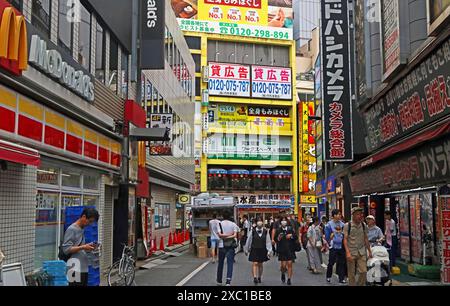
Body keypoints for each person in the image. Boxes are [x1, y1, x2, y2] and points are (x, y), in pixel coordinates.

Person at [62, 207, 99, 286]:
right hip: (73, 268)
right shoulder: (72, 229)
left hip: (83, 268)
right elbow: (66, 249)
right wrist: (83, 247)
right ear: (84, 217)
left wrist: (88, 246)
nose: (90, 224)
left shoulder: (81, 229)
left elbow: (78, 246)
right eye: (90, 221)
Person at [343, 207, 373, 286]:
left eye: (361, 214)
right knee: (351, 273)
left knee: (363, 271)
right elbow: (345, 239)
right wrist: (347, 252)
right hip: (351, 251)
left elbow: (366, 238)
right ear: (353, 215)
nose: (360, 216)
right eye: (358, 214)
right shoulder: (347, 225)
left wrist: (369, 251)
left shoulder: (363, 225)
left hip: (361, 251)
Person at [244, 217, 273, 284]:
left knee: (260, 264)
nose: (259, 222)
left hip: (262, 249)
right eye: (258, 221)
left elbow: (268, 241)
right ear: (256, 223)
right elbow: (249, 240)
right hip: (254, 249)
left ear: (262, 222)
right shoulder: (252, 231)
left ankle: (259, 276)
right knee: (255, 263)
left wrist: (269, 250)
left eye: (260, 221)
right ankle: (255, 277)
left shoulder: (265, 231)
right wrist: (246, 249)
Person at [217, 212, 239, 286]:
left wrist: (224, 237)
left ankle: (219, 280)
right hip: (230, 245)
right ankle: (228, 281)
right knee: (230, 264)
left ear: (222, 216)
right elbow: (235, 235)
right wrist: (230, 235)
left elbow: (219, 235)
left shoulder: (219, 224)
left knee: (220, 263)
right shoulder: (233, 224)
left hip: (221, 245)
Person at [325, 209, 346, 283]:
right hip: (333, 246)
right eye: (338, 214)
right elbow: (327, 237)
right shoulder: (329, 225)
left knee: (341, 262)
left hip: (341, 246)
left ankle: (341, 278)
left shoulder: (343, 224)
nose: (339, 216)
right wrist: (330, 237)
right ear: (334, 215)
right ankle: (328, 276)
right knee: (331, 262)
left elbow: (345, 234)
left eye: (340, 214)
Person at [275, 216, 297, 285]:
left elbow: (295, 236)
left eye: (285, 220)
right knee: (283, 265)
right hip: (282, 249)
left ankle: (289, 279)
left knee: (290, 264)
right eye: (282, 221)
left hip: (290, 249)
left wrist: (291, 236)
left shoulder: (290, 229)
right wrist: (278, 237)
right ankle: (283, 273)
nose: (283, 222)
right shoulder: (278, 230)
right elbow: (276, 239)